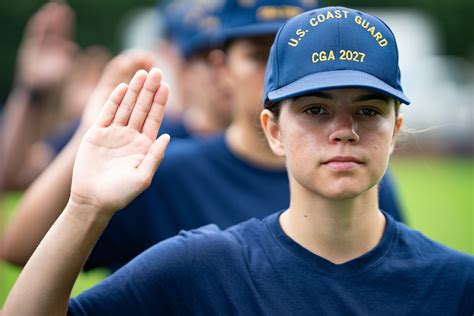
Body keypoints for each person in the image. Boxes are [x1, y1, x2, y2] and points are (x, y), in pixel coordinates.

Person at [4, 7, 473, 314]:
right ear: (273, 129)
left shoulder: (454, 282)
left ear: (396, 130)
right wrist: (85, 206)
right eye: (314, 109)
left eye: (368, 110)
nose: (343, 130)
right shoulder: (202, 265)